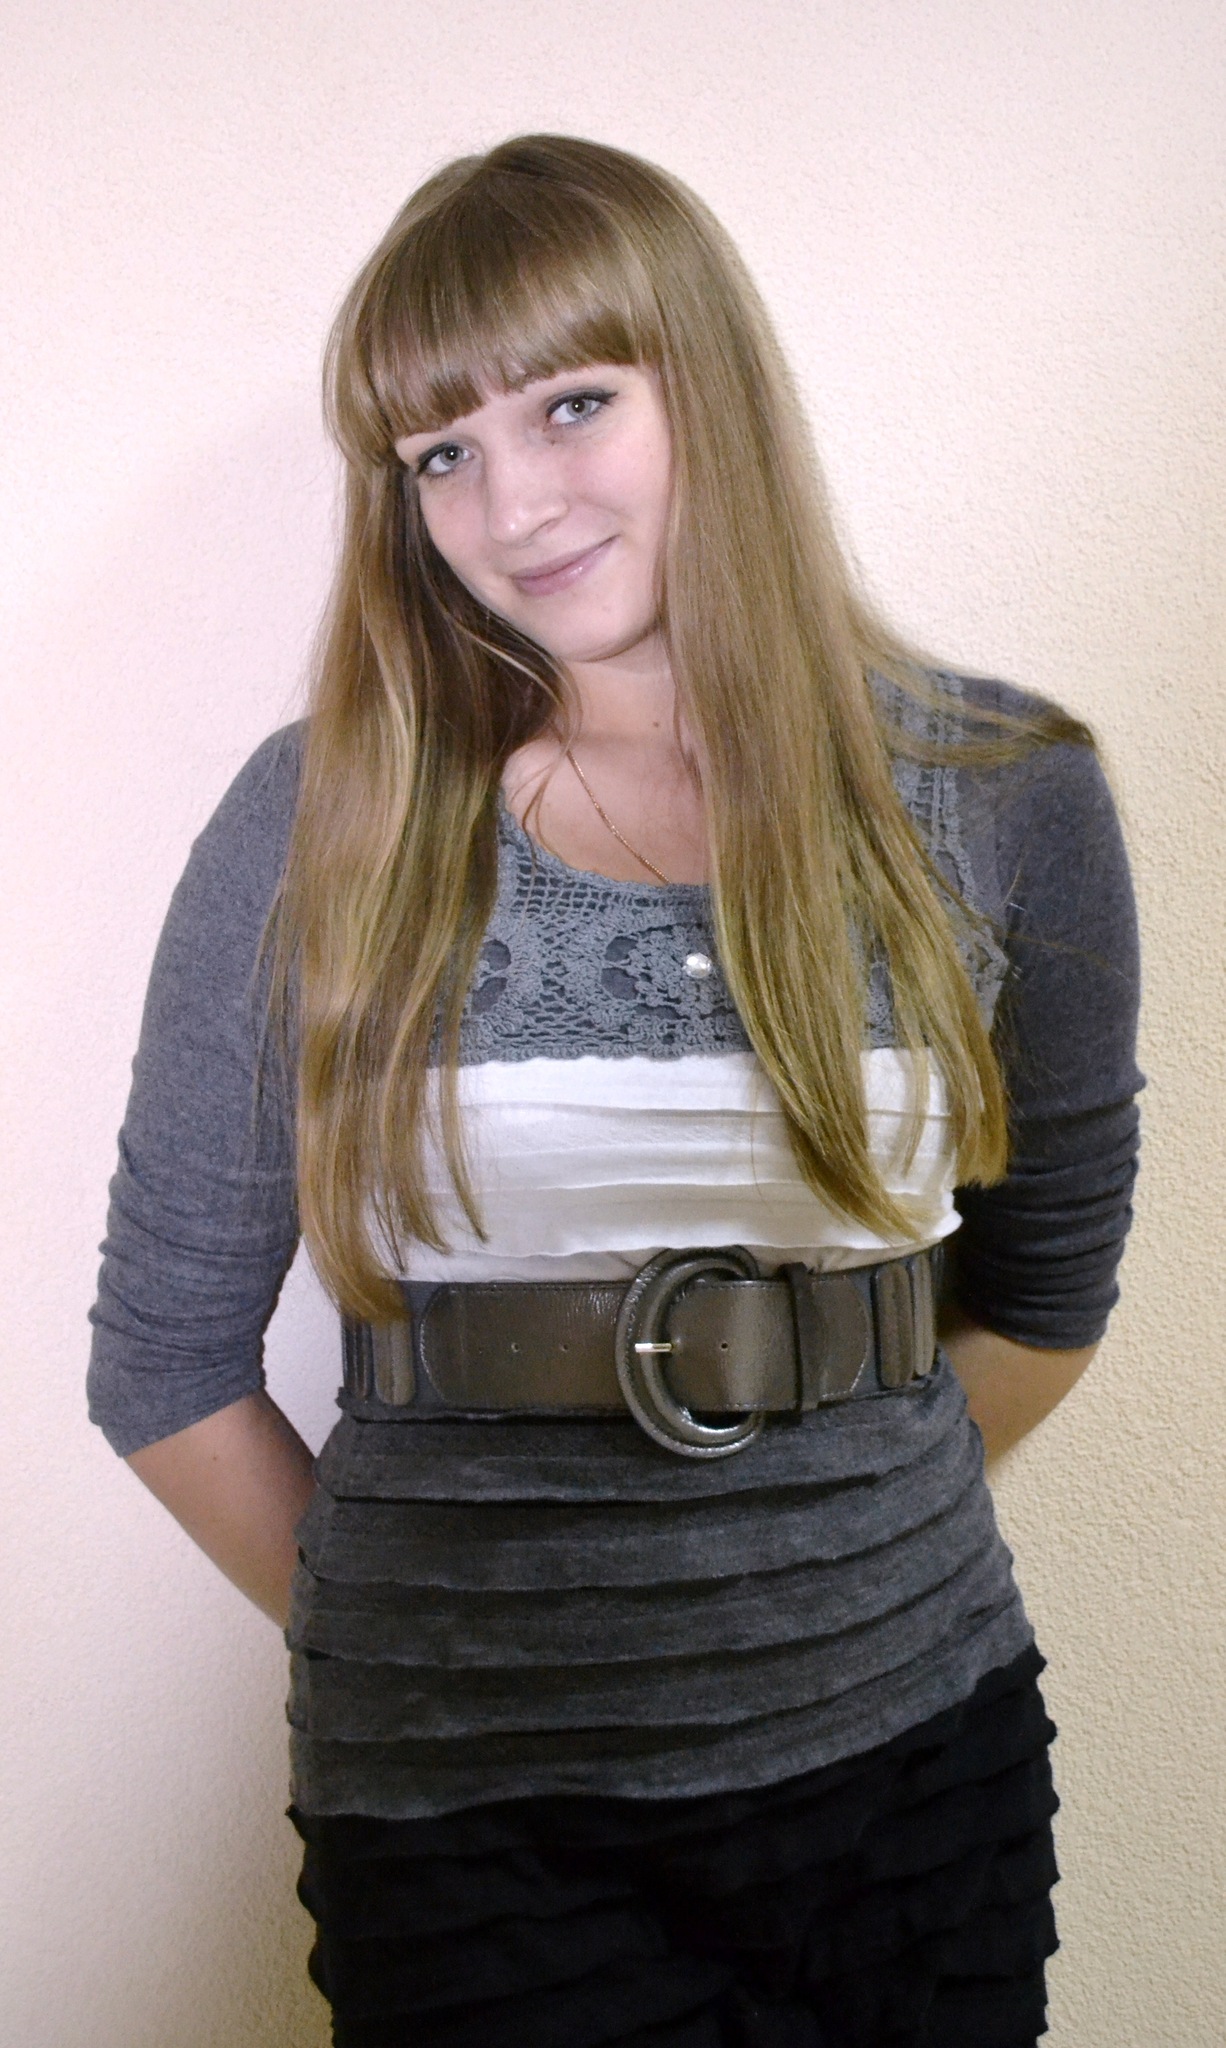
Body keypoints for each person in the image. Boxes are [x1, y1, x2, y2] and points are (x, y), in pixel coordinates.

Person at [87, 134, 1142, 2047]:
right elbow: (161, 1367)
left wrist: (816, 1563)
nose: (510, 504)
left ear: (705, 383)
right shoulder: (320, 819)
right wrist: (425, 1652)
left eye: (573, 403)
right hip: (474, 1831)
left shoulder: (1005, 791)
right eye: (440, 452)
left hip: (919, 1769)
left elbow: (1050, 1289)